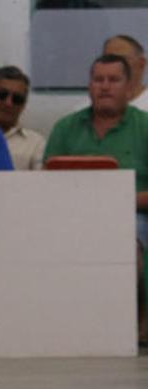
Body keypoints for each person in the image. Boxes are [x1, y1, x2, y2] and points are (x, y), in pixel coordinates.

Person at [43, 54, 148, 349]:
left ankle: (132, 327)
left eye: (113, 80)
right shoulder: (65, 128)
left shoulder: (145, 127)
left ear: (130, 88)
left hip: (133, 219)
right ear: (88, 86)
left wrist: (117, 198)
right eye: (98, 80)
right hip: (68, 219)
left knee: (129, 249)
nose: (104, 87)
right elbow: (45, 184)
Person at [0, 65, 46, 171]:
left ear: (24, 105)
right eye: (2, 95)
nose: (8, 103)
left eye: (17, 99)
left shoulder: (35, 144)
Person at [102, 35, 148, 111]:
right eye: (107, 59)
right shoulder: (84, 111)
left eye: (121, 59)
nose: (113, 65)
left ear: (141, 64)